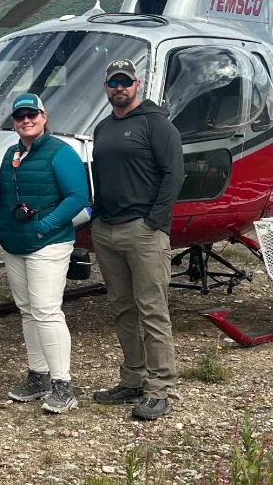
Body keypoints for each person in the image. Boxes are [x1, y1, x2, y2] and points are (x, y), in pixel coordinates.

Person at [91, 59, 184, 421]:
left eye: (125, 81)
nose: (120, 87)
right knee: (122, 308)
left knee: (152, 310)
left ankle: (159, 389)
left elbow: (173, 175)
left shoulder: (156, 124)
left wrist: (155, 222)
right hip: (107, 230)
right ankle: (132, 379)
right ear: (106, 86)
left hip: (142, 231)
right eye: (114, 82)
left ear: (138, 84)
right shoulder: (103, 128)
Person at [0, 93, 89, 413]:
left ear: (44, 117)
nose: (26, 120)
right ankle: (38, 375)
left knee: (47, 310)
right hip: (16, 244)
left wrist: (44, 226)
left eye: (32, 114)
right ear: (14, 122)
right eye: (20, 116)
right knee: (28, 310)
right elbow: (4, 195)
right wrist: (2, 229)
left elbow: (78, 197)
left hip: (48, 243)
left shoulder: (62, 153)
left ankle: (63, 384)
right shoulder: (10, 153)